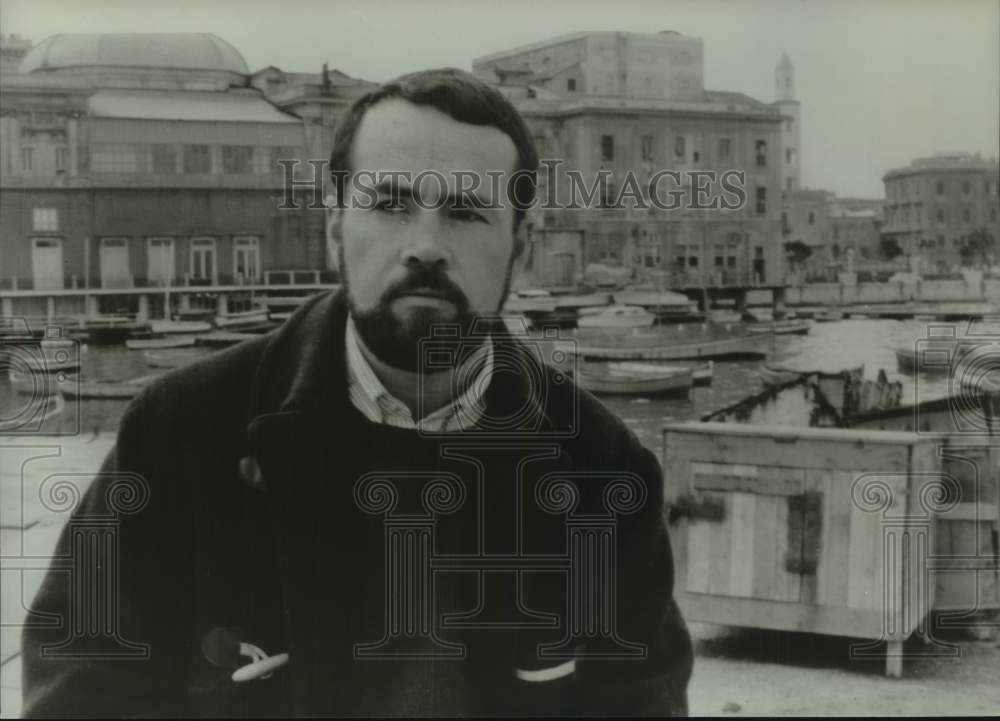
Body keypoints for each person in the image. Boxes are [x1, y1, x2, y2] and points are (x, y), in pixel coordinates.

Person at [22, 67, 693, 717]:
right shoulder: (179, 434)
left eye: (465, 211)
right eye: (391, 204)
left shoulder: (603, 470)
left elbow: (640, 699)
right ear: (337, 229)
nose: (425, 246)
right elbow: (83, 689)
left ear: (521, 247)